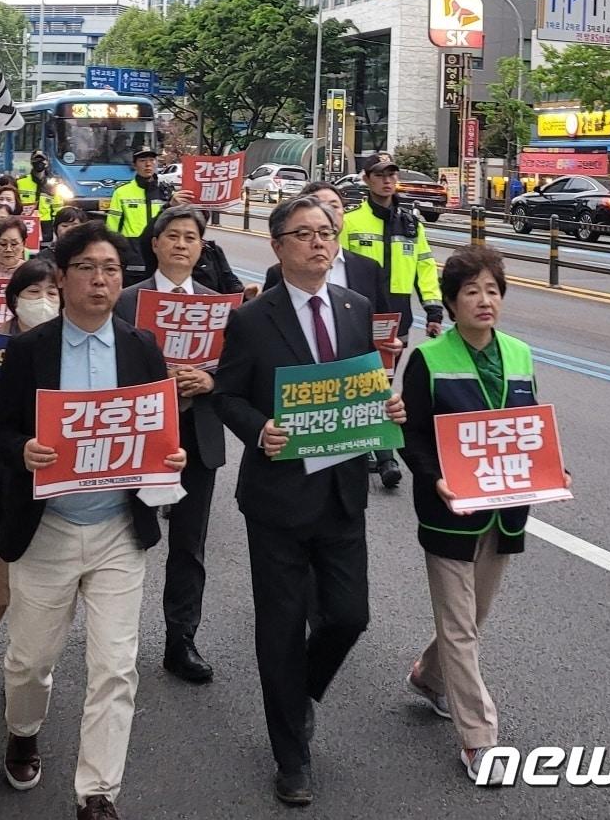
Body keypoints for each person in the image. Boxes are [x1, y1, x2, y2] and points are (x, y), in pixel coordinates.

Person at [0, 222, 186, 820]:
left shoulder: (141, 347)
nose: (100, 280)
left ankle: (98, 792)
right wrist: (22, 450)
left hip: (118, 530)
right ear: (62, 276)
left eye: (111, 270)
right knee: (29, 661)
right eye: (87, 269)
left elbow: (156, 431)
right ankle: (23, 729)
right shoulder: (27, 350)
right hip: (46, 527)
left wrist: (168, 455)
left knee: (115, 666)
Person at [214, 195, 406, 807]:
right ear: (278, 246)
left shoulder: (354, 309)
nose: (319, 244)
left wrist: (387, 413)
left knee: (350, 616)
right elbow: (227, 394)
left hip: (342, 490)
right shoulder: (252, 318)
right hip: (278, 497)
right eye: (304, 234)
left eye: (327, 233)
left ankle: (298, 696)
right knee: (279, 626)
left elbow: (364, 390)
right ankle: (290, 756)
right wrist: (258, 429)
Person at [397, 245, 569, 785]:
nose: (484, 300)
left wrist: (551, 472)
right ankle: (479, 739)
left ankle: (428, 674)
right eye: (471, 291)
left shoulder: (519, 353)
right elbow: (413, 433)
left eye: (492, 290)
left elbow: (529, 429)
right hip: (450, 509)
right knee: (461, 626)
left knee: (471, 620)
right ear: (451, 302)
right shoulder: (428, 359)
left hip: (505, 511)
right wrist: (434, 478)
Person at [113, 207, 226, 683]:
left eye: (190, 237)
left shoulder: (219, 305)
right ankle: (116, 638)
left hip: (197, 438)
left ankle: (181, 639)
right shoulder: (126, 301)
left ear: (201, 248)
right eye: (172, 236)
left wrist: (209, 378)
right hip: (138, 439)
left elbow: (234, 368)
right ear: (155, 244)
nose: (181, 244)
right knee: (126, 540)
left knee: (189, 544)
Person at [0, 259, 63, 697]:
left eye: (52, 293)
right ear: (14, 299)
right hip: (1, 471)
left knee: (46, 578)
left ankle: (28, 662)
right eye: (34, 293)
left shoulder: (72, 343)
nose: (44, 302)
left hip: (56, 471)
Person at [265, 181, 404, 488]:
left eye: (333, 208)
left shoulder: (366, 272)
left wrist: (390, 345)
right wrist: (263, 430)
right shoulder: (274, 285)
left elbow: (380, 323)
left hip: (352, 392)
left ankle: (385, 458)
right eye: (316, 206)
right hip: (300, 419)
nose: (326, 213)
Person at [340, 152, 443, 345]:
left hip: (398, 316)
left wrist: (434, 313)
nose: (386, 181)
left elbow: (425, 269)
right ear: (366, 180)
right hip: (358, 313)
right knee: (361, 374)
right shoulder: (349, 222)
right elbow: (336, 271)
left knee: (389, 374)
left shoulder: (411, 226)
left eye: (391, 175)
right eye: (379, 175)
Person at [106, 148, 172, 284]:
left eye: (151, 160)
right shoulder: (122, 192)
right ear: (135, 165)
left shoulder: (166, 192)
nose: (148, 164)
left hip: (161, 257)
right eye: (143, 161)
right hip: (132, 260)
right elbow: (112, 228)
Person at [18, 151, 64, 240]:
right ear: (31, 162)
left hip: (45, 224)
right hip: (25, 223)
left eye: (42, 160)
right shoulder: (21, 182)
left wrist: (56, 227)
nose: (39, 162)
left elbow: (57, 208)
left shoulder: (53, 185)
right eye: (36, 159)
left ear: (46, 163)